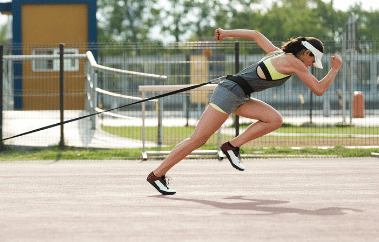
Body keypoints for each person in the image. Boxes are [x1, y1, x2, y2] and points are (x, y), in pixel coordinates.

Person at [147, 28, 343, 195]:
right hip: (229, 93)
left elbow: (256, 34)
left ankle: (232, 146)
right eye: (313, 60)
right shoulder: (295, 63)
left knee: (274, 119)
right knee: (198, 139)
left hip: (240, 95)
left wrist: (225, 33)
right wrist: (334, 70)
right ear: (305, 53)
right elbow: (318, 90)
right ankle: (157, 175)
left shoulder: (277, 53)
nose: (311, 65)